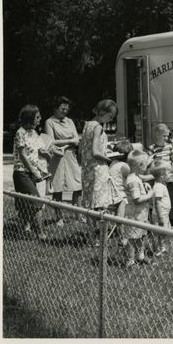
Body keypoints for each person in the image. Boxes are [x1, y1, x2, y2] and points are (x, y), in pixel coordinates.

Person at [79, 99, 119, 244]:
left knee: (90, 203)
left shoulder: (87, 125)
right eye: (111, 115)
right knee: (101, 204)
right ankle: (100, 236)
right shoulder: (98, 127)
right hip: (97, 169)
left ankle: (91, 236)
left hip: (87, 168)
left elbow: (84, 149)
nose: (111, 119)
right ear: (104, 112)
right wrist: (109, 159)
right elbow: (96, 151)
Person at [44, 96, 82, 226]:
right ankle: (58, 217)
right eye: (62, 108)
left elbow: (76, 139)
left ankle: (78, 215)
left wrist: (71, 142)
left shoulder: (70, 121)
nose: (65, 111)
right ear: (55, 108)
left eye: (67, 109)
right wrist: (69, 141)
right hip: (57, 157)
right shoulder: (49, 122)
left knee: (77, 185)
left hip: (71, 156)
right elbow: (51, 141)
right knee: (58, 187)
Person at [12, 104, 49, 239]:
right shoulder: (20, 132)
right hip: (21, 172)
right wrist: (34, 171)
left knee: (24, 202)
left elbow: (39, 152)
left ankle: (24, 228)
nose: (40, 119)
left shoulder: (33, 133)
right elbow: (23, 155)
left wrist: (48, 155)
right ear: (30, 118)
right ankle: (40, 233)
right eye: (37, 117)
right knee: (36, 201)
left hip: (32, 172)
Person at [123, 150, 154, 267]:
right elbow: (137, 199)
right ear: (140, 166)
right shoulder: (133, 180)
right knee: (132, 238)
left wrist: (144, 186)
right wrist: (149, 195)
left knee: (141, 235)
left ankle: (139, 256)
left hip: (140, 215)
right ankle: (130, 261)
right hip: (134, 216)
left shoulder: (136, 177)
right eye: (146, 164)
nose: (147, 166)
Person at [147, 123, 173, 226]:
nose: (166, 138)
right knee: (158, 199)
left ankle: (171, 220)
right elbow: (149, 164)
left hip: (168, 177)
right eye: (164, 136)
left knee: (171, 198)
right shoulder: (152, 148)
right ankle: (157, 220)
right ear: (157, 134)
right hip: (157, 178)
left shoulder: (170, 147)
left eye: (167, 136)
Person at [108, 139, 134, 246]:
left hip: (109, 195)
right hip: (119, 197)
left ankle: (121, 232)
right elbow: (133, 177)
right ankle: (124, 236)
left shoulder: (113, 163)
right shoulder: (124, 166)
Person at [149, 159, 173, 256]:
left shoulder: (161, 184)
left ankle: (162, 248)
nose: (170, 175)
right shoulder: (159, 186)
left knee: (163, 233)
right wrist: (160, 218)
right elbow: (158, 203)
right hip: (160, 215)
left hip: (163, 214)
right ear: (162, 176)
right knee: (158, 233)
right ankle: (157, 250)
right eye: (169, 173)